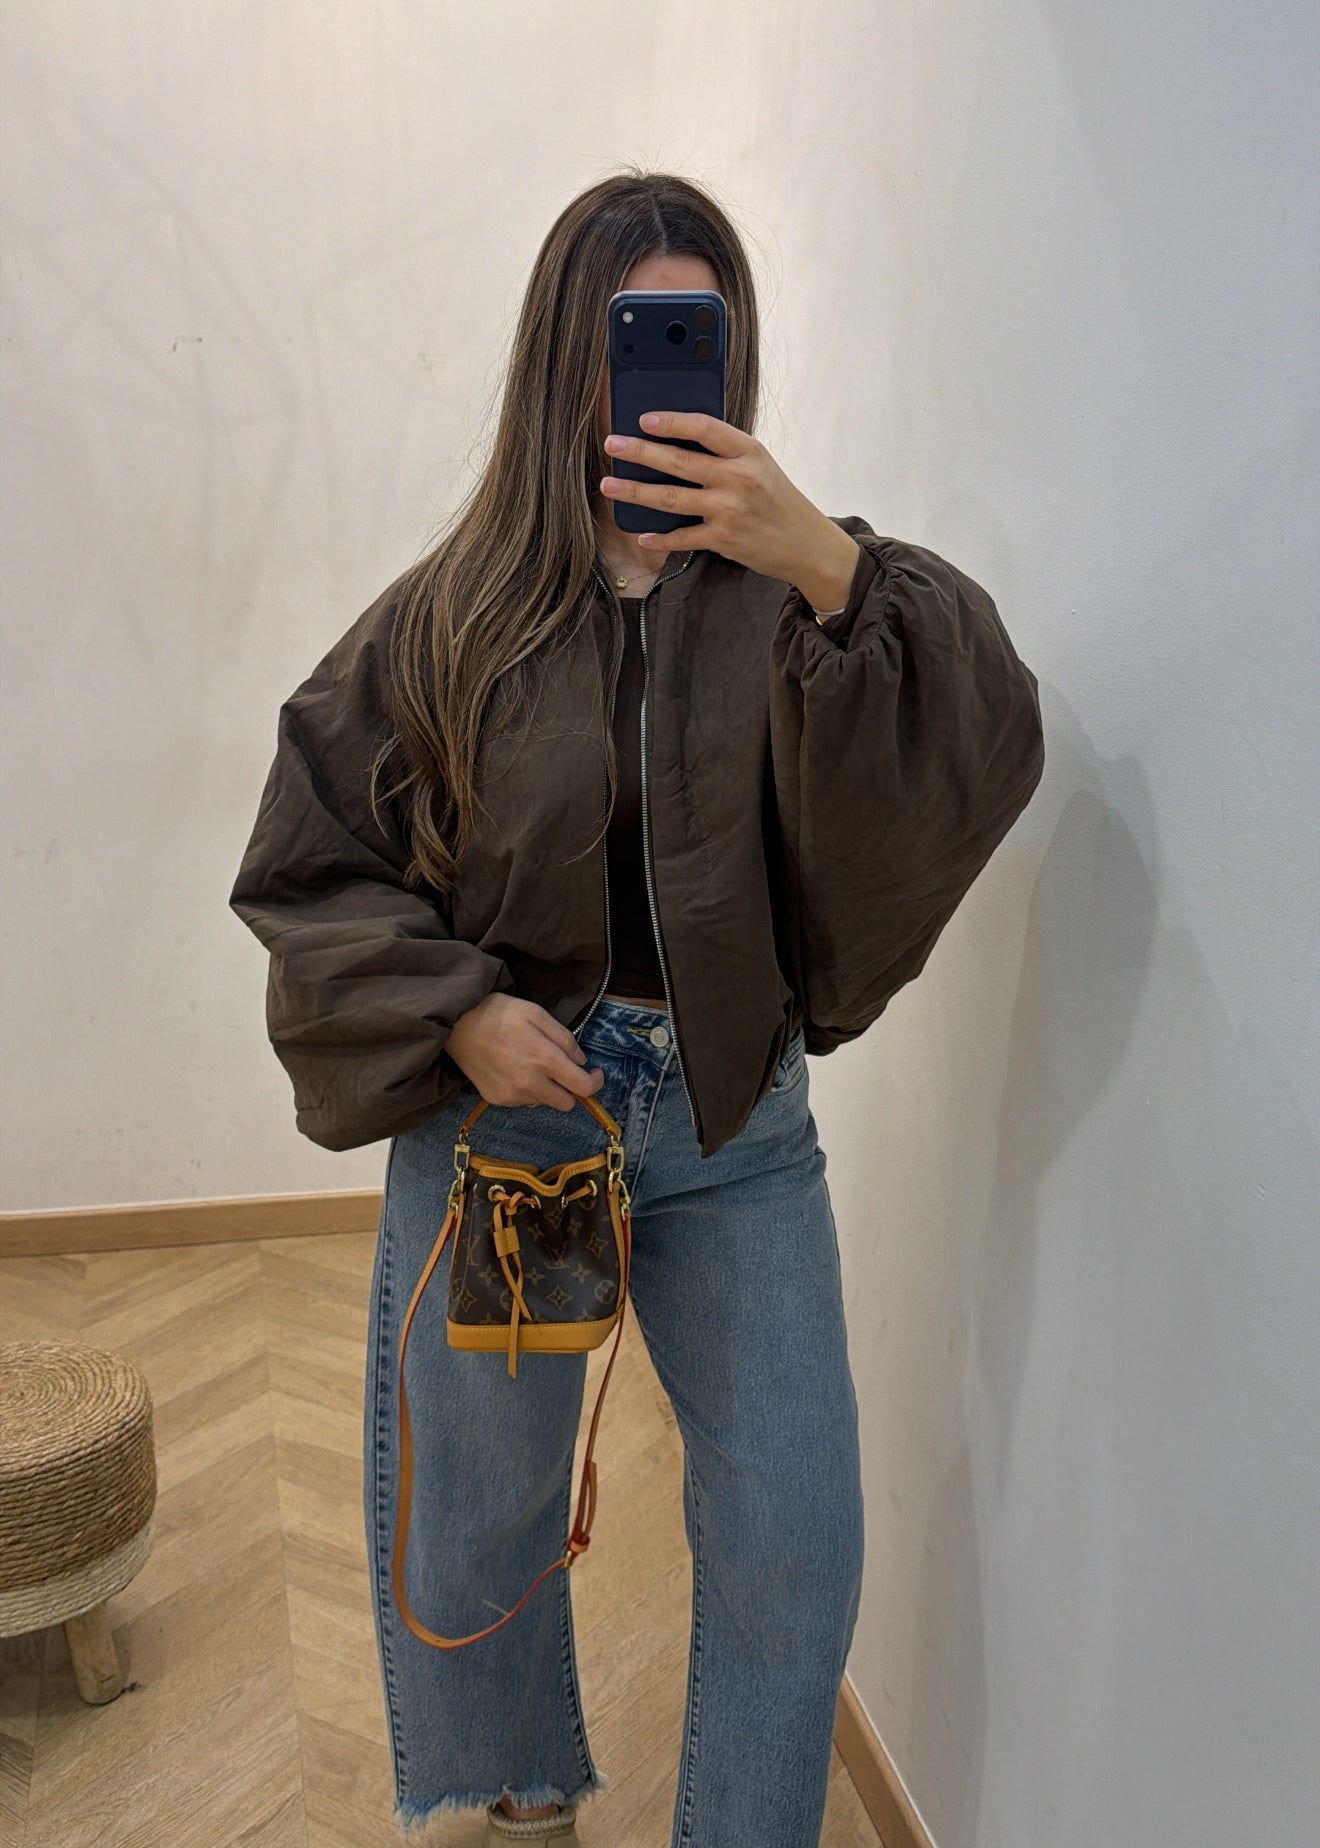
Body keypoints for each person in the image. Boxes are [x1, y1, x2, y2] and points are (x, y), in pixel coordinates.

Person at [229, 169, 1045, 1847]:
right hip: (513, 1129)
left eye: (700, 336)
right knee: (482, 1505)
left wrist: (831, 564)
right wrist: (459, 1013)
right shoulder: (457, 613)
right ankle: (523, 1791)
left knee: (796, 1529)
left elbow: (981, 735)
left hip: (738, 1129)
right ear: (568, 359)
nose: (669, 374)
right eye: (635, 337)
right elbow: (309, 860)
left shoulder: (799, 595)